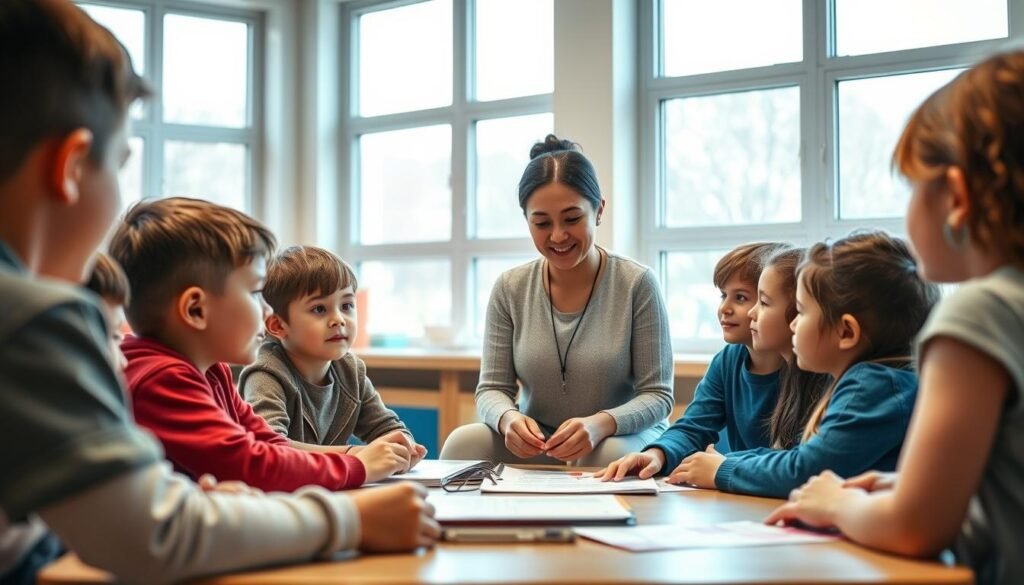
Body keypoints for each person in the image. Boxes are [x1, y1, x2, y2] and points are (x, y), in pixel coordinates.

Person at [0, 2, 437, 584]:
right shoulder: (36, 320)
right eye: (120, 166)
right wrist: (350, 518)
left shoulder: (213, 372)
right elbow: (156, 534)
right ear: (73, 166)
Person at [767, 51, 1024, 585]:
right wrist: (896, 486)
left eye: (912, 186)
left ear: (954, 196)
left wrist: (835, 504)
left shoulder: (980, 314)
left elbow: (915, 528)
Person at [111, 198, 415, 490]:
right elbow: (253, 466)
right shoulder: (162, 379)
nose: (268, 311)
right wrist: (359, 466)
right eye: (256, 292)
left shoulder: (211, 371)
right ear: (196, 310)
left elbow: (269, 444)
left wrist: (359, 455)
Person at [440, 135, 674, 465]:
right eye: (542, 223)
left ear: (599, 210)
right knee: (464, 442)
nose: (558, 235)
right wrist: (509, 419)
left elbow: (658, 396)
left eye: (572, 218)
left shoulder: (637, 283)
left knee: (603, 456)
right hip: (543, 440)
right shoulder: (510, 288)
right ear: (527, 221)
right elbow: (491, 389)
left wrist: (600, 424)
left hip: (619, 436)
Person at [673, 231, 937, 497]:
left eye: (800, 311)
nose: (793, 324)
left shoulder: (873, 385)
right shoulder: (871, 379)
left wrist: (724, 469)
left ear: (846, 332)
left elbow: (806, 469)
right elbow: (799, 457)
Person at [596, 242, 792, 481]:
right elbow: (693, 427)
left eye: (741, 298)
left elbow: (799, 457)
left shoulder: (810, 368)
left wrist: (726, 464)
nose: (724, 308)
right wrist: (657, 455)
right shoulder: (727, 361)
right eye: (723, 295)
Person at [240, 245, 426, 464]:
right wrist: (353, 454)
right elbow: (269, 448)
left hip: (328, 487)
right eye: (319, 309)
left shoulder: (350, 370)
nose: (339, 319)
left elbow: (388, 428)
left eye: (347, 305)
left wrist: (403, 447)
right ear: (278, 325)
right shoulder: (265, 374)